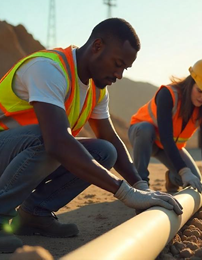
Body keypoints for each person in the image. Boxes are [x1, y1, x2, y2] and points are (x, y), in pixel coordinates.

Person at [0, 18, 183, 254]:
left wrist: (141, 186)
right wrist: (125, 193)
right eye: (117, 64)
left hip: (18, 154)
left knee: (104, 151)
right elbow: (57, 142)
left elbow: (110, 138)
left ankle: (34, 215)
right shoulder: (48, 69)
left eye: (124, 68)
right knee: (51, 140)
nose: (119, 74)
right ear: (97, 46)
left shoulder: (96, 89)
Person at [129, 58, 202, 196]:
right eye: (200, 90)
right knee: (145, 129)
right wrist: (184, 171)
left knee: (195, 180)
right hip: (143, 136)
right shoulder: (168, 94)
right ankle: (140, 184)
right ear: (191, 82)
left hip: (168, 147)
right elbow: (166, 136)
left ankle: (172, 178)